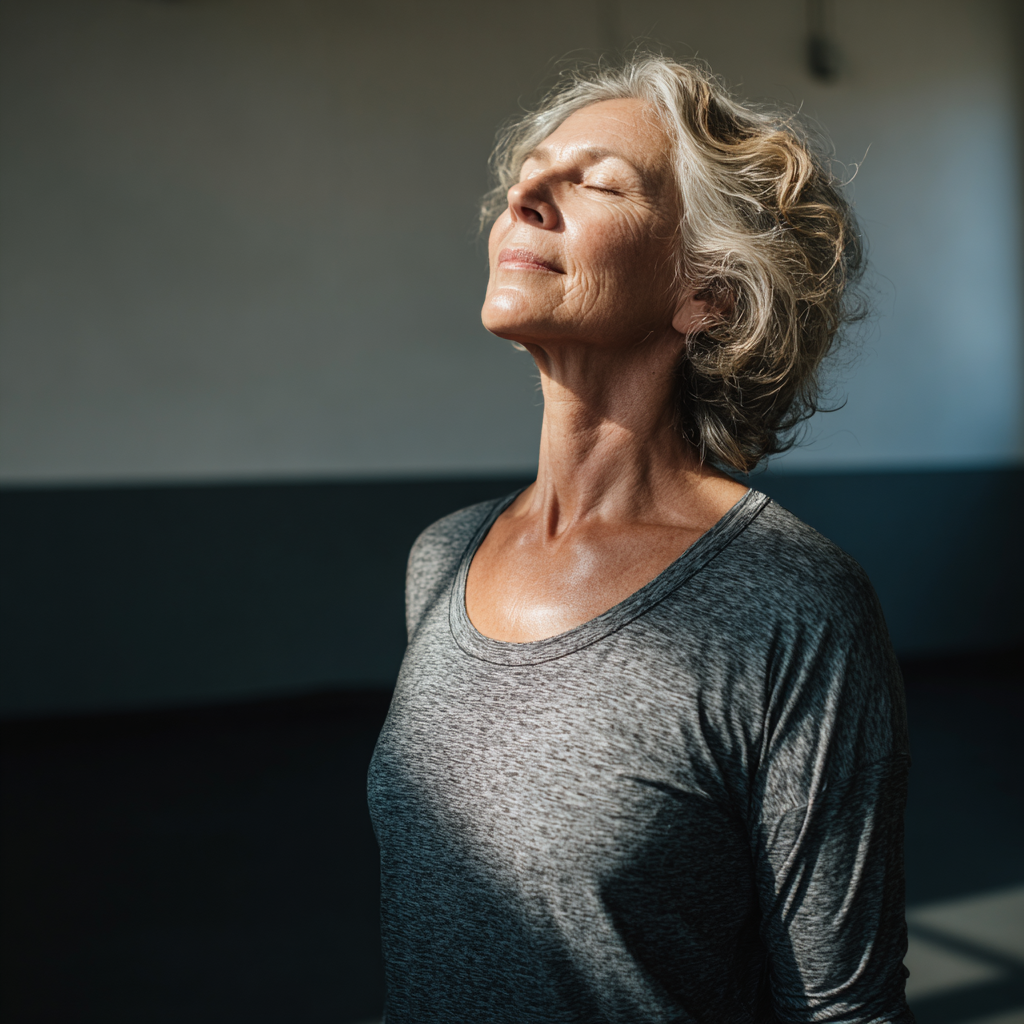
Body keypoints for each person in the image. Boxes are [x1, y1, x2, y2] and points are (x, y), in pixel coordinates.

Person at [368, 55, 913, 1023]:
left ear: (704, 293)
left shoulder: (790, 604)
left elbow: (844, 1010)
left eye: (597, 182)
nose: (527, 196)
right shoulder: (441, 558)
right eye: (527, 175)